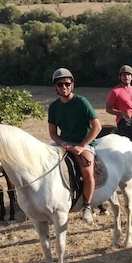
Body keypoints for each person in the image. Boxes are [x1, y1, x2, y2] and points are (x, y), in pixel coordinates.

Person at [48, 68, 102, 224]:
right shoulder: (53, 107)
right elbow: (53, 133)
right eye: (60, 84)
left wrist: (82, 145)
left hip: (84, 143)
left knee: (87, 172)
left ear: (72, 85)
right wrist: (63, 143)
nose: (63, 87)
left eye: (66, 83)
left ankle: (87, 207)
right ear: (55, 87)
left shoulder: (82, 102)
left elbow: (96, 127)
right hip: (64, 144)